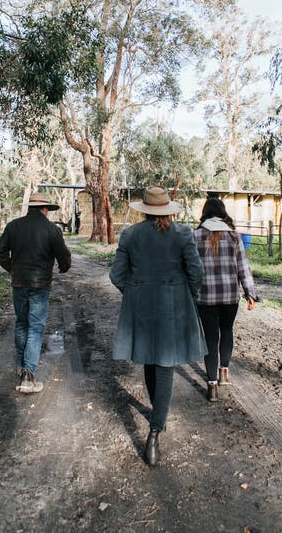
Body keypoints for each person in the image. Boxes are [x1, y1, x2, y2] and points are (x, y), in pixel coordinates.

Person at [110, 186, 206, 467]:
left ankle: (156, 413)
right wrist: (190, 295)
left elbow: (116, 275)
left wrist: (136, 292)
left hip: (142, 305)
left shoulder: (130, 234)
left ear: (145, 210)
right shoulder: (182, 233)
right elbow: (196, 272)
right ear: (168, 209)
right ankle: (155, 431)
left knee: (150, 361)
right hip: (173, 306)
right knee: (164, 364)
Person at [0, 192, 71, 394]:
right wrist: (63, 267)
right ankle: (28, 375)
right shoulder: (51, 229)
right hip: (40, 284)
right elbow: (63, 255)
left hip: (18, 282)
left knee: (21, 323)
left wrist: (12, 268)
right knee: (36, 327)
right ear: (44, 209)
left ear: (31, 207)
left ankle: (21, 366)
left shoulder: (13, 226)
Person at [193, 197, 258, 402]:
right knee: (227, 332)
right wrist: (250, 293)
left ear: (204, 212)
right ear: (223, 213)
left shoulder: (194, 236)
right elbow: (243, 268)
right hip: (230, 296)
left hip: (204, 298)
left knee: (210, 338)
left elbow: (190, 269)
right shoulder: (234, 237)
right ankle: (224, 373)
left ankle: (211, 386)